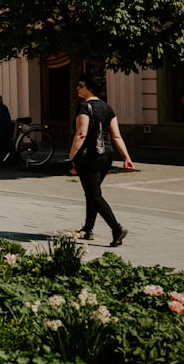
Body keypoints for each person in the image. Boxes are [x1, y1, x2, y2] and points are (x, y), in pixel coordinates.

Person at [69, 74, 133, 247]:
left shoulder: (84, 106)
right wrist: (126, 157)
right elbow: (116, 136)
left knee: (94, 194)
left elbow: (81, 134)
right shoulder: (107, 108)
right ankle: (88, 228)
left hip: (90, 155)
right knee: (92, 192)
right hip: (107, 155)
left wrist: (71, 158)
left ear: (89, 88)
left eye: (81, 85)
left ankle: (117, 229)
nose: (78, 88)